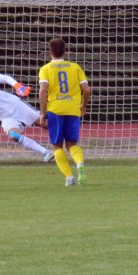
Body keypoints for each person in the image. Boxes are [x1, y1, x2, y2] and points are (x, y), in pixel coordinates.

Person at [38, 37, 91, 186]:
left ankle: (69, 177)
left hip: (55, 110)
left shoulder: (46, 69)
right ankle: (79, 163)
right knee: (72, 144)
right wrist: (83, 105)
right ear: (64, 51)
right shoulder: (75, 67)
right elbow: (86, 89)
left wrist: (42, 112)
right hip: (73, 109)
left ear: (50, 52)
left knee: (57, 146)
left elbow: (43, 90)